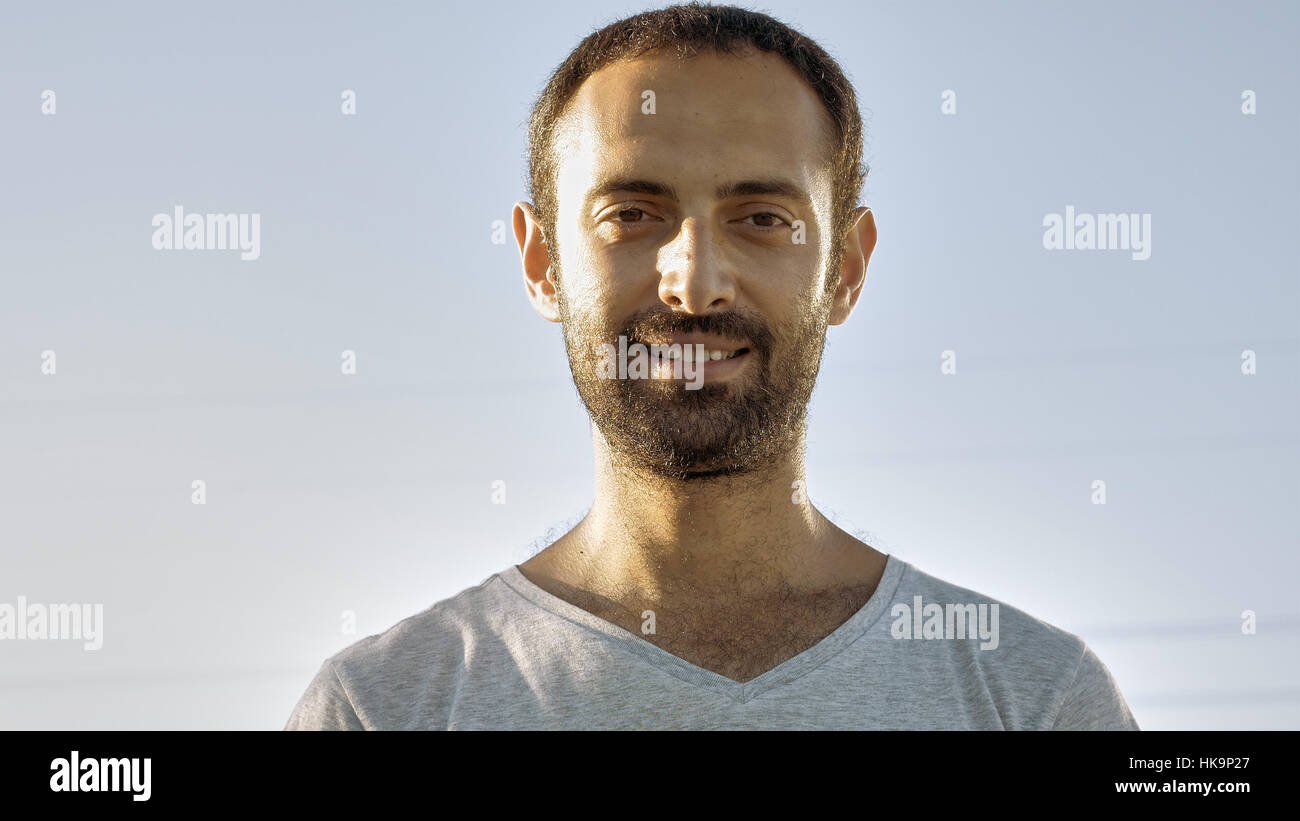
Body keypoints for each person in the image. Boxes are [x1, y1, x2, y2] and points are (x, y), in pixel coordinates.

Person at [286, 3, 1138, 730]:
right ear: (543, 261)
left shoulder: (1032, 699)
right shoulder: (385, 707)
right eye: (631, 212)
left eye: (762, 216)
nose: (694, 283)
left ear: (845, 267)